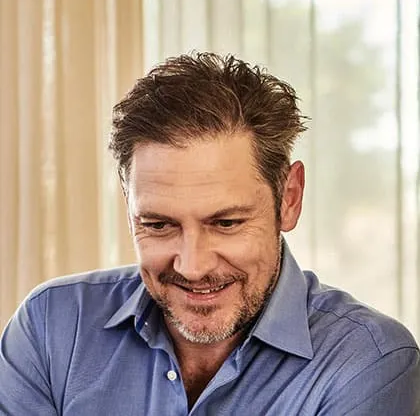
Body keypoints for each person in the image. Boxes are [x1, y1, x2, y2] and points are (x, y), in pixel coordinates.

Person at [0, 52, 419, 416]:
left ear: (289, 199)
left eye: (226, 223)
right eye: (158, 225)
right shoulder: (52, 327)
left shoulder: (368, 361)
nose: (193, 267)